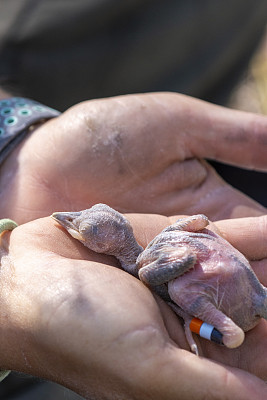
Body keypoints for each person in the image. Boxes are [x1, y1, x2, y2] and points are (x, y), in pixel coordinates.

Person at [0, 91, 267, 400]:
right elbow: (200, 220)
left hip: (218, 284)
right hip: (234, 276)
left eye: (84, 226)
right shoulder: (162, 237)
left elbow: (182, 252)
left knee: (182, 294)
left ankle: (226, 332)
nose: (65, 219)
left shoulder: (144, 266)